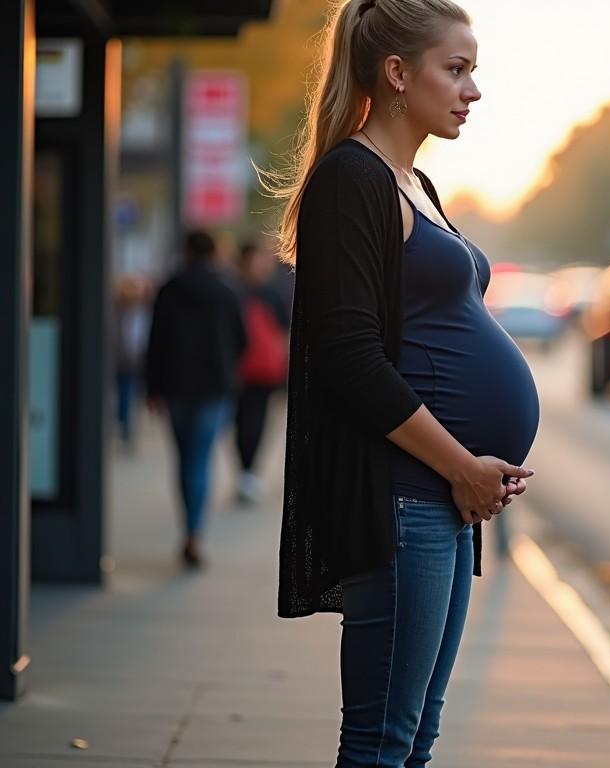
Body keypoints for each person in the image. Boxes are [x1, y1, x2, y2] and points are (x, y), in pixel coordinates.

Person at [270, 1, 539, 765]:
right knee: (382, 742)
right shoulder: (351, 180)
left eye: (472, 72)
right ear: (396, 74)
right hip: (404, 498)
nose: (472, 91)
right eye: (455, 70)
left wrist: (465, 477)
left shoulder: (411, 180)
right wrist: (460, 465)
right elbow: (351, 356)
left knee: (415, 736)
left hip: (443, 502)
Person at [146, 230, 247, 568]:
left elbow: (156, 341)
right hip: (214, 387)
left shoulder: (169, 289)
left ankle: (188, 530)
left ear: (187, 251)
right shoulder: (226, 290)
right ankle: (194, 535)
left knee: (184, 457)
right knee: (201, 458)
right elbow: (241, 340)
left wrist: (152, 388)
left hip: (175, 386)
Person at [234, 240, 290, 504]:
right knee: (241, 420)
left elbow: (284, 330)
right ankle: (246, 470)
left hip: (263, 372)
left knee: (256, 420)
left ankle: (248, 471)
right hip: (236, 370)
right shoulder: (234, 291)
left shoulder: (272, 293)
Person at [113, 274, 152, 452]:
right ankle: (124, 425)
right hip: (121, 363)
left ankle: (127, 428)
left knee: (130, 396)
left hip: (138, 364)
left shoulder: (145, 314)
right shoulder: (116, 313)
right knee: (124, 395)